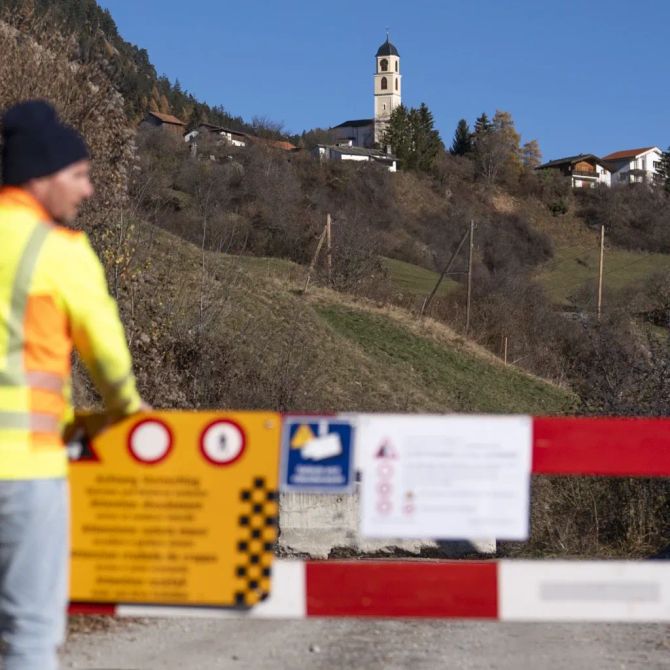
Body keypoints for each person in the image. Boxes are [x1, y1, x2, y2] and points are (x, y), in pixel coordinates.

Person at [0, 100, 146, 670]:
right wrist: (127, 410)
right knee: (31, 637)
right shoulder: (59, 252)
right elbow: (107, 356)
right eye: (79, 176)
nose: (86, 192)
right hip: (23, 471)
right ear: (41, 175)